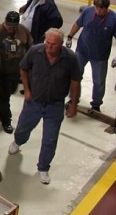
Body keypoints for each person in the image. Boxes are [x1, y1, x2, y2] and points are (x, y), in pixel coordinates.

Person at [9, 28, 81, 185]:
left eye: (53, 44)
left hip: (55, 106)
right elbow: (24, 68)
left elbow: (75, 82)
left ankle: (43, 168)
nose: (49, 47)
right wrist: (27, 90)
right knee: (22, 128)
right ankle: (18, 142)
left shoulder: (70, 58)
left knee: (50, 139)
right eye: (47, 43)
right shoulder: (35, 51)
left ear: (61, 44)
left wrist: (74, 104)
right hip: (33, 101)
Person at [65, 0, 116, 112]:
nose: (98, 11)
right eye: (97, 8)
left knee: (99, 81)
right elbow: (78, 24)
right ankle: (73, 98)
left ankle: (96, 104)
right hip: (82, 51)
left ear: (107, 8)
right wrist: (70, 37)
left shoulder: (115, 20)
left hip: (100, 56)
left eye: (101, 9)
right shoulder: (87, 12)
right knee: (75, 75)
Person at [0, 11, 33, 134]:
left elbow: (30, 46)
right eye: (9, 26)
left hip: (18, 70)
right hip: (2, 71)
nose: (11, 29)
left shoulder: (23, 31)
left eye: (14, 26)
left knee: (11, 90)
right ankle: (6, 121)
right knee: (5, 98)